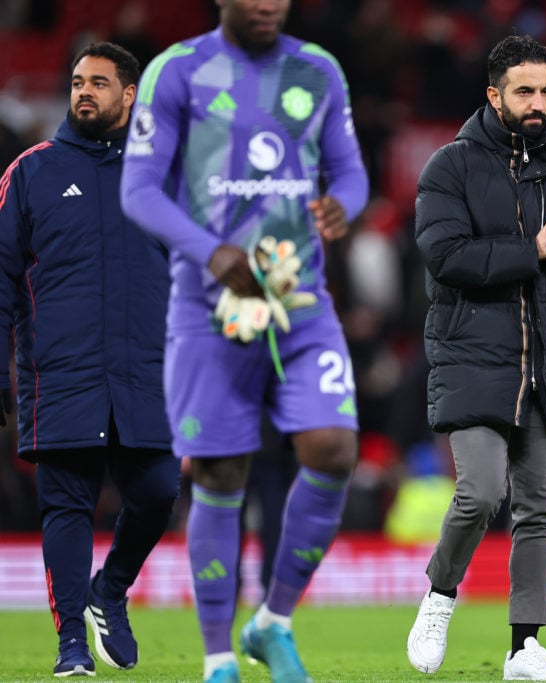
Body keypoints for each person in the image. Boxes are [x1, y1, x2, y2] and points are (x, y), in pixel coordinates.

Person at [120, 0, 369, 680]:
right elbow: (139, 191)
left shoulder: (318, 70)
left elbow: (349, 170)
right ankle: (219, 657)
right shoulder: (178, 71)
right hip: (208, 307)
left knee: (333, 447)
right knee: (219, 472)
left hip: (301, 301)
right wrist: (209, 251)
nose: (268, 3)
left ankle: (272, 620)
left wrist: (344, 203)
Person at [405, 34, 546, 681]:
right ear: (494, 94)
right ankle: (441, 594)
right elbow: (446, 258)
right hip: (472, 353)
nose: (537, 103)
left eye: (545, 91)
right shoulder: (451, 166)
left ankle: (524, 647)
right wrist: (538, 247)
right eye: (524, 91)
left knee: (539, 506)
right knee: (481, 490)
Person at [0, 41, 180, 677]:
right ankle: (70, 644)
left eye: (99, 82)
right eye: (78, 81)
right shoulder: (30, 172)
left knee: (160, 490)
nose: (84, 91)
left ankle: (112, 589)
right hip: (60, 373)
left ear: (128, 96)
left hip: (148, 371)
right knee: (67, 508)